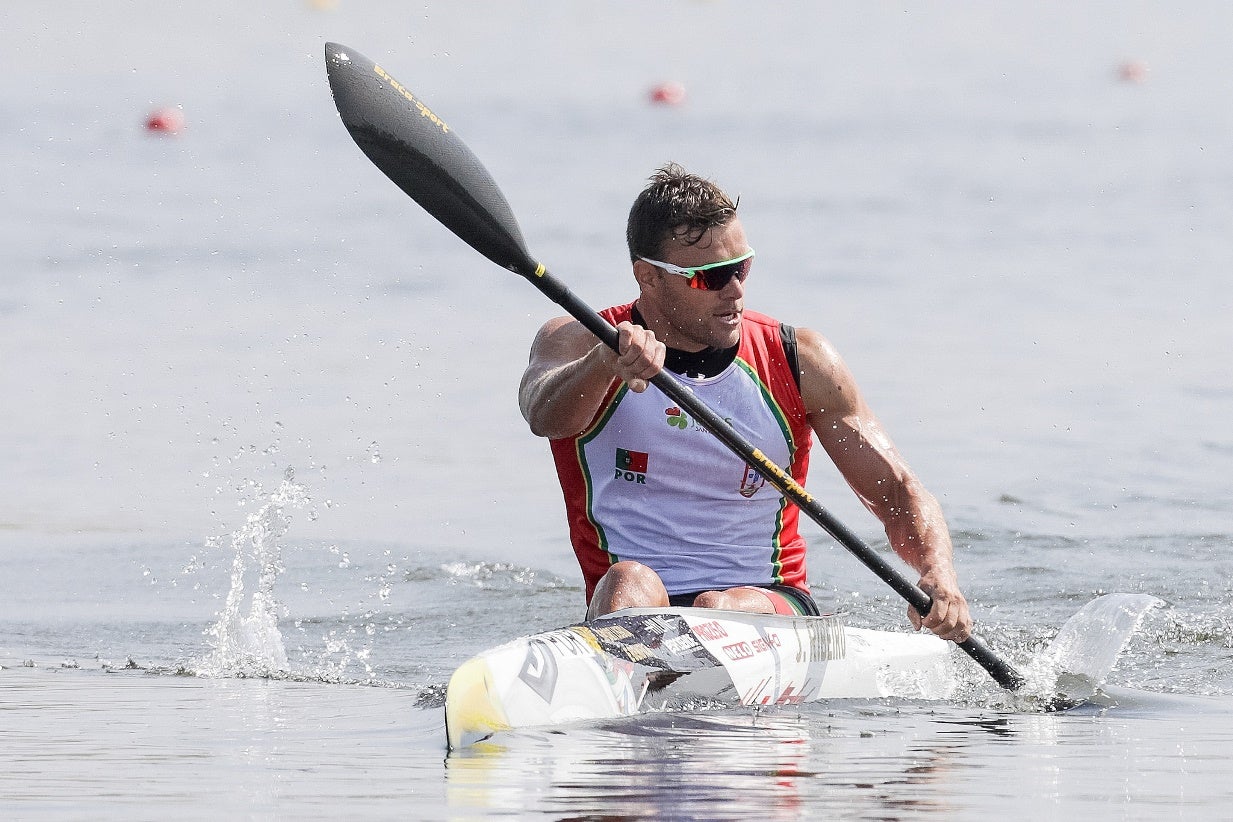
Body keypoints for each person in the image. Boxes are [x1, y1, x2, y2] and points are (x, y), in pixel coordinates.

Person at [518, 163, 972, 643]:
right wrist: (601, 364)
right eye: (710, 277)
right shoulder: (581, 341)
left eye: (741, 268)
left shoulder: (800, 361)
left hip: (769, 599)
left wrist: (938, 573)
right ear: (648, 277)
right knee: (628, 580)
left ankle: (666, 663)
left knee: (717, 608)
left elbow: (896, 489)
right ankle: (631, 667)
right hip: (634, 602)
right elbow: (541, 415)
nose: (735, 291)